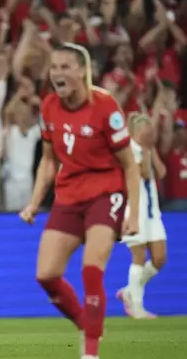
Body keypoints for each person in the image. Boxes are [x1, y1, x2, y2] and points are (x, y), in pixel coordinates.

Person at [19, 43, 140, 359]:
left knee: (91, 269)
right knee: (46, 274)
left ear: (82, 72)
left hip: (106, 192)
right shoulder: (49, 107)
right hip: (69, 195)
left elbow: (130, 165)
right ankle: (87, 325)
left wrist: (134, 214)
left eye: (64, 67)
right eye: (54, 67)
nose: (56, 73)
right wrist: (34, 202)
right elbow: (48, 160)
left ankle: (90, 352)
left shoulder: (105, 106)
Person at [117, 114, 167, 319]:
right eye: (148, 131)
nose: (152, 134)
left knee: (159, 258)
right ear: (139, 132)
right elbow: (144, 173)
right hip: (133, 211)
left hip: (152, 212)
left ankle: (129, 290)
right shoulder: (128, 150)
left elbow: (161, 172)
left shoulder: (146, 149)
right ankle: (137, 307)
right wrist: (147, 150)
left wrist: (151, 149)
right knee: (139, 256)